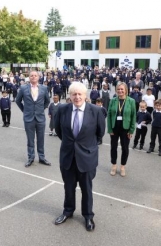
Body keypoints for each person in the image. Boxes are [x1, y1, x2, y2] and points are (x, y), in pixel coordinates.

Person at [54, 82, 105, 232]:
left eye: (79, 94)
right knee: (68, 187)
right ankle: (68, 211)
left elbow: (100, 133)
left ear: (85, 95)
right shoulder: (62, 109)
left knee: (86, 189)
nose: (77, 97)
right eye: (74, 94)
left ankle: (88, 215)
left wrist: (86, 146)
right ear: (69, 96)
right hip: (67, 156)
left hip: (87, 157)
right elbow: (59, 130)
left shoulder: (96, 111)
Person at [15, 71, 51, 167]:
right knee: (30, 140)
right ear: (29, 77)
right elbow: (18, 101)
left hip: (40, 118)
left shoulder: (44, 88)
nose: (33, 77)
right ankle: (31, 157)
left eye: (35, 75)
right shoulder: (23, 88)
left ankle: (42, 157)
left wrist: (41, 109)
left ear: (39, 77)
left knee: (41, 139)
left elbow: (47, 101)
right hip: (28, 118)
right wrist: (25, 110)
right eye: (31, 76)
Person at [107, 82, 136, 177]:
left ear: (126, 90)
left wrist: (131, 130)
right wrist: (110, 129)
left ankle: (123, 166)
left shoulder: (131, 101)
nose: (120, 91)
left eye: (122, 89)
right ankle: (114, 165)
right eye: (118, 89)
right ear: (116, 90)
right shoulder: (113, 100)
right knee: (113, 147)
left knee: (125, 148)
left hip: (125, 128)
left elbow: (133, 116)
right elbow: (109, 115)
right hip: (115, 127)